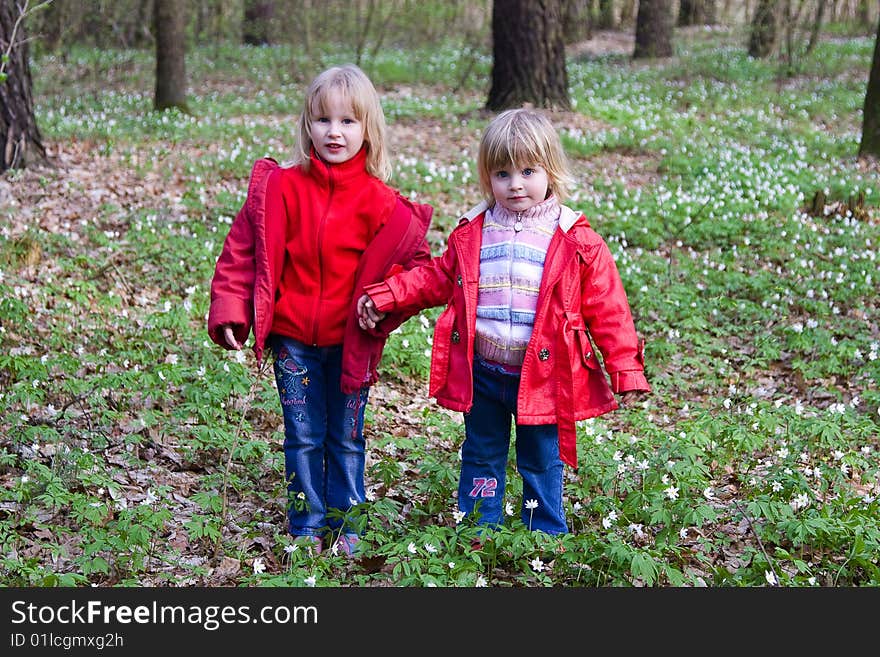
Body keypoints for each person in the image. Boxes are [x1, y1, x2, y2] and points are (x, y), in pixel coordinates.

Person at [357, 108, 649, 537]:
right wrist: (387, 294)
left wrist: (625, 367)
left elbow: (609, 308)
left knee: (540, 456)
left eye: (528, 171)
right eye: (502, 173)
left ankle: (544, 529)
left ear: (550, 171)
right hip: (485, 372)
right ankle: (479, 526)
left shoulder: (574, 238)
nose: (515, 184)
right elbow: (437, 277)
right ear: (487, 177)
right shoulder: (474, 232)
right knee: (481, 452)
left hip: (543, 375)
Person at [208, 64, 433, 556]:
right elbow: (241, 253)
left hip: (350, 344)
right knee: (303, 434)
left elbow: (414, 269)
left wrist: (385, 301)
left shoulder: (382, 204)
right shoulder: (281, 189)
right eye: (323, 120)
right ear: (306, 125)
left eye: (348, 121)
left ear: (368, 129)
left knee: (346, 436)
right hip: (293, 339)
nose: (334, 132)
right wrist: (230, 310)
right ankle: (307, 523)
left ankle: (347, 523)